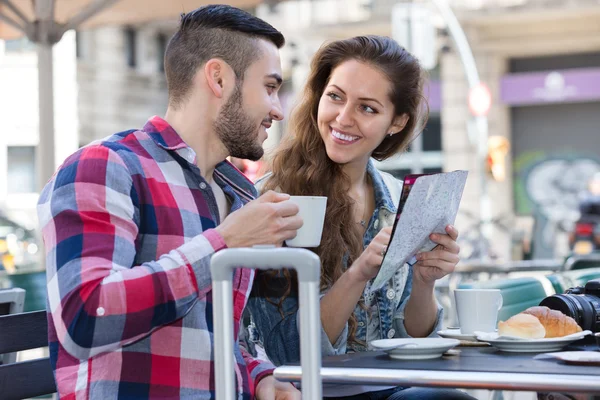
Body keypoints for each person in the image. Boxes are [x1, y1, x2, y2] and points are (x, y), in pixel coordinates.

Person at [37, 5, 303, 399]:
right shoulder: (106, 166)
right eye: (269, 86)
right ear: (218, 78)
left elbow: (209, 333)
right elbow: (86, 317)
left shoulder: (237, 193)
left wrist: (259, 376)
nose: (278, 110)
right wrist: (223, 244)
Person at [247, 36, 475, 400]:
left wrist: (424, 281)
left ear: (396, 122)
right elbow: (286, 354)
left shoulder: (401, 202)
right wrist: (358, 274)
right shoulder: (273, 202)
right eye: (335, 97)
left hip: (394, 388)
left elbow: (413, 342)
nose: (343, 118)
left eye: (367, 108)